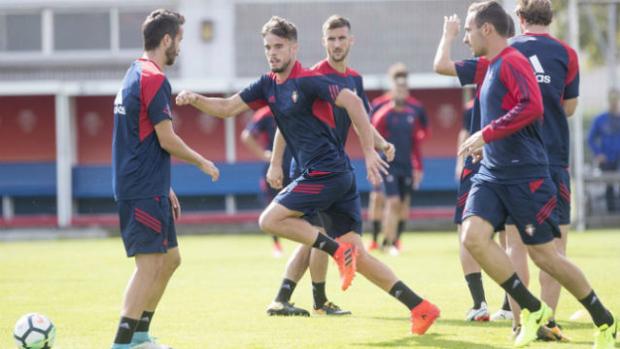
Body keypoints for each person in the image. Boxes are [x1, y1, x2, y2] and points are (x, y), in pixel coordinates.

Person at [176, 16, 439, 335]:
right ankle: (421, 308)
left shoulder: (309, 80)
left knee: (269, 221)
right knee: (360, 255)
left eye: (279, 47)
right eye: (268, 47)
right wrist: (196, 99)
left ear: (294, 48)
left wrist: (371, 149)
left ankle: (331, 259)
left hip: (324, 172)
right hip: (336, 176)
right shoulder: (267, 83)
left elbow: (354, 103)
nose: (272, 53)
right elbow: (228, 107)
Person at [458, 2, 616, 348]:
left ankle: (605, 321)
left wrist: (487, 133)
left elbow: (533, 107)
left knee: (545, 256)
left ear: (487, 29)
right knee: (472, 236)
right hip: (492, 173)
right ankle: (531, 308)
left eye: (468, 30)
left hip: (526, 175)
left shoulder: (514, 61)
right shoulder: (494, 65)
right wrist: (487, 143)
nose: (465, 37)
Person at [111, 9, 219, 349]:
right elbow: (166, 138)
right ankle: (123, 342)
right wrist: (203, 162)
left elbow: (137, 137)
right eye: (180, 40)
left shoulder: (134, 72)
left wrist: (165, 184)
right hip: (142, 189)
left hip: (149, 185)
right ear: (167, 39)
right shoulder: (154, 78)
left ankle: (141, 336)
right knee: (149, 265)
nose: (181, 48)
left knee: (170, 260)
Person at [367, 64, 429, 252]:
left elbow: (420, 136)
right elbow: (370, 134)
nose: (401, 88)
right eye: (397, 83)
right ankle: (377, 239)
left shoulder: (414, 110)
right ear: (391, 85)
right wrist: (372, 161)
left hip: (406, 164)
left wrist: (418, 165)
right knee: (380, 199)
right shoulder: (380, 107)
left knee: (401, 203)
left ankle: (393, 240)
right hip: (385, 165)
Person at [241, 106, 292, 257]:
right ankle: (276, 244)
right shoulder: (265, 114)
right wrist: (263, 155)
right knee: (272, 205)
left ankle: (307, 241)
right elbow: (247, 135)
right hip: (275, 167)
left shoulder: (297, 107)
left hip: (297, 164)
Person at [588, 89, 620, 213]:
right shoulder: (601, 119)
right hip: (608, 159)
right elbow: (591, 139)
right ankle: (611, 214)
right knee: (609, 186)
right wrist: (598, 153)